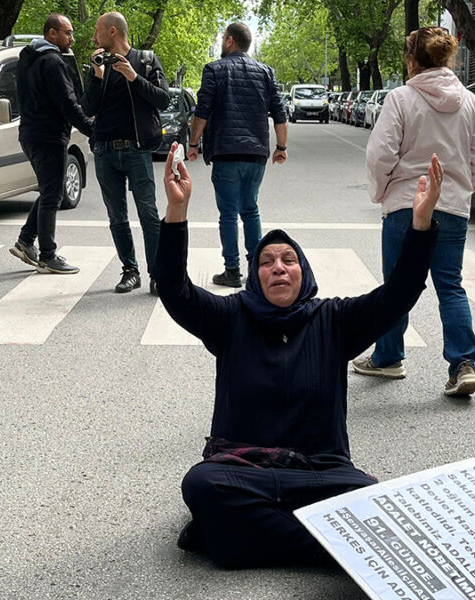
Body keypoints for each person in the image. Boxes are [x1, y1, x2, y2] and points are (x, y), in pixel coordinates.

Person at [154, 141, 442, 569]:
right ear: (256, 277)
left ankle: (235, 539)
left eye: (289, 260)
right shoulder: (230, 317)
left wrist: (421, 223)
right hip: (244, 469)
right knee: (201, 483)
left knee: (370, 496)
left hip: (321, 473)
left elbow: (399, 294)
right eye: (267, 262)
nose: (278, 267)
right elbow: (175, 291)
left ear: (303, 272)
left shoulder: (334, 320)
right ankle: (332, 546)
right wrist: (177, 212)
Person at [353, 27, 475, 397]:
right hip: (452, 205)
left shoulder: (401, 98)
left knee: (397, 285)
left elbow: (380, 153)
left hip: (406, 203)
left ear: (412, 60)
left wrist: (382, 191)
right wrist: (462, 188)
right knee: (450, 285)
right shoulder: (469, 102)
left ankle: (388, 358)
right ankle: (463, 365)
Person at [187, 22, 288, 288]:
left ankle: (232, 270)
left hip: (226, 152)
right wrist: (281, 147)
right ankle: (256, 270)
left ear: (230, 40)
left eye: (223, 38)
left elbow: (203, 110)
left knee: (229, 214)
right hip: (256, 153)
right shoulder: (266, 72)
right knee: (251, 210)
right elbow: (279, 112)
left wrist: (193, 143)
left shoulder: (214, 69)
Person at [81, 11, 170, 295]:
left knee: (148, 213)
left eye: (97, 31)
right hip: (105, 151)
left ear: (112, 31)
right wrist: (97, 76)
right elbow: (87, 108)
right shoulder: (98, 66)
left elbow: (164, 99)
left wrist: (133, 77)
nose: (93, 38)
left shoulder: (145, 60)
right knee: (116, 216)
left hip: (136, 150)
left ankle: (157, 274)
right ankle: (130, 271)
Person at [9, 14, 94, 274]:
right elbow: (68, 103)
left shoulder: (27, 59)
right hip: (48, 136)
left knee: (49, 190)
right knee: (53, 195)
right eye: (68, 33)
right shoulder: (52, 62)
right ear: (52, 33)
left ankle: (25, 241)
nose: (72, 38)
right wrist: (92, 130)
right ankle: (48, 256)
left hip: (30, 133)